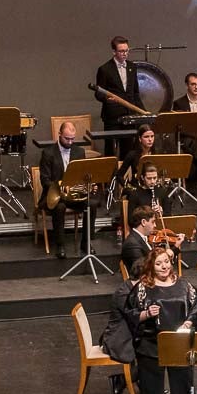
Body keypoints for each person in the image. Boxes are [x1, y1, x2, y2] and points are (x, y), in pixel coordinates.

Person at [122, 247, 197, 394]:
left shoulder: (184, 285)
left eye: (166, 262)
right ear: (151, 266)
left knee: (184, 388)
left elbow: (195, 308)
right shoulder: (142, 288)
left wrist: (188, 323)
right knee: (152, 390)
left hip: (179, 343)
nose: (164, 267)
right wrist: (146, 314)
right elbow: (130, 313)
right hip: (152, 344)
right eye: (158, 263)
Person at [40, 120, 87, 260]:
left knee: (91, 204)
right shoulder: (48, 153)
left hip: (73, 195)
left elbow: (82, 175)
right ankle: (60, 246)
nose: (70, 142)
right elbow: (45, 180)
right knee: (59, 207)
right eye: (67, 138)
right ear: (59, 135)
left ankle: (86, 243)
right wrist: (60, 187)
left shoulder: (79, 152)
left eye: (73, 139)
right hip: (54, 196)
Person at [94, 36, 144, 156]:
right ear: (114, 52)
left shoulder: (132, 67)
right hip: (112, 117)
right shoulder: (105, 69)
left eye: (127, 50)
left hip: (129, 115)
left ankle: (126, 174)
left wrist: (143, 112)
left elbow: (135, 93)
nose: (125, 54)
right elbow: (98, 94)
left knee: (128, 151)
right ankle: (111, 174)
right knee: (111, 151)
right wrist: (106, 99)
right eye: (121, 51)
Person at [121, 205, 162, 278]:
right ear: (143, 222)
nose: (155, 225)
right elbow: (141, 269)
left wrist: (175, 247)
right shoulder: (132, 244)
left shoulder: (141, 238)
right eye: (153, 222)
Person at [118, 123, 158, 188]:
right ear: (140, 139)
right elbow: (119, 175)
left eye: (152, 136)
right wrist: (128, 187)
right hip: (137, 188)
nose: (150, 139)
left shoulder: (156, 153)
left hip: (153, 187)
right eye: (146, 137)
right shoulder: (132, 155)